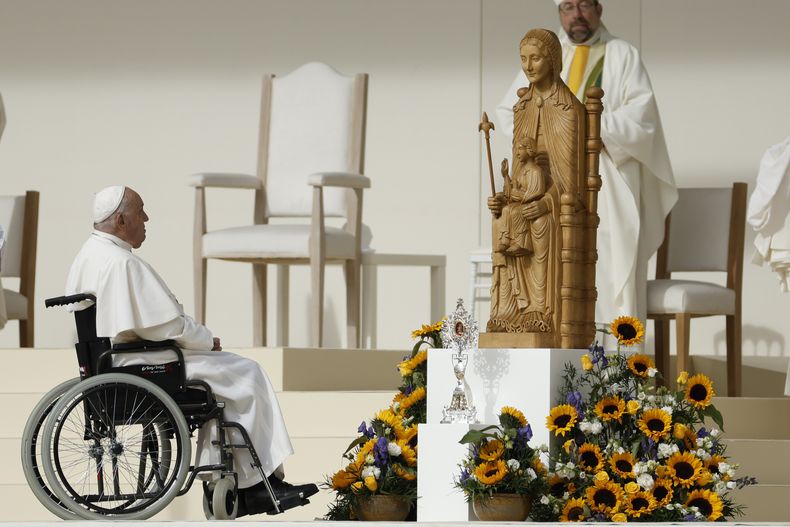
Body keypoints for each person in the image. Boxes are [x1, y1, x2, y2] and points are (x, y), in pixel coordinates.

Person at [65, 185, 318, 516]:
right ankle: (257, 485)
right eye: (141, 211)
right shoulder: (120, 262)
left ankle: (240, 483)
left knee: (222, 386)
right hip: (147, 363)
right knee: (247, 372)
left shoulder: (90, 253)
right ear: (122, 219)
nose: (147, 218)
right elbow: (163, 326)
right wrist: (204, 339)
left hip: (126, 361)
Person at [496, 0, 677, 331]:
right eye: (567, 7)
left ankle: (612, 368)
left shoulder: (622, 54)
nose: (576, 15)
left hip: (605, 179)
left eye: (584, 6)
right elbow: (510, 111)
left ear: (599, 9)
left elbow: (642, 118)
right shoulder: (546, 54)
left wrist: (588, 129)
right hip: (549, 182)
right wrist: (545, 140)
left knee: (606, 260)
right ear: (559, 13)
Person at [489, 29, 584, 334]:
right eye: (523, 59)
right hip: (525, 199)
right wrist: (503, 197)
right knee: (503, 219)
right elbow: (518, 173)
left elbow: (573, 181)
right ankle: (507, 313)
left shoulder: (570, 110)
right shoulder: (522, 108)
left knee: (540, 225)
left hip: (555, 206)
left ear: (553, 60)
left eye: (536, 58)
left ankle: (539, 312)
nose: (528, 66)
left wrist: (546, 202)